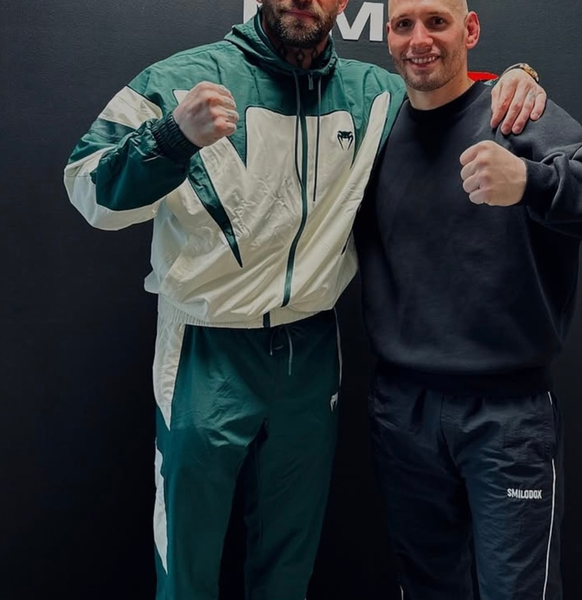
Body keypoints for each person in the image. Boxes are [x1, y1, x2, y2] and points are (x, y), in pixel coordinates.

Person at [62, 1, 545, 598]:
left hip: (311, 352)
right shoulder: (177, 80)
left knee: (289, 563)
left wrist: (516, 77)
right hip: (204, 352)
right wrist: (169, 138)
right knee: (186, 563)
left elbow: (444, 90)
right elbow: (89, 192)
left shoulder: (373, 93)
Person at [354, 1, 582, 599]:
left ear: (469, 29)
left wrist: (533, 182)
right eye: (403, 24)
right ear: (385, 36)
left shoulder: (512, 113)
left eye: (437, 21)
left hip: (505, 415)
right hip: (402, 410)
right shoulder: (374, 126)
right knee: (425, 588)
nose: (420, 39)